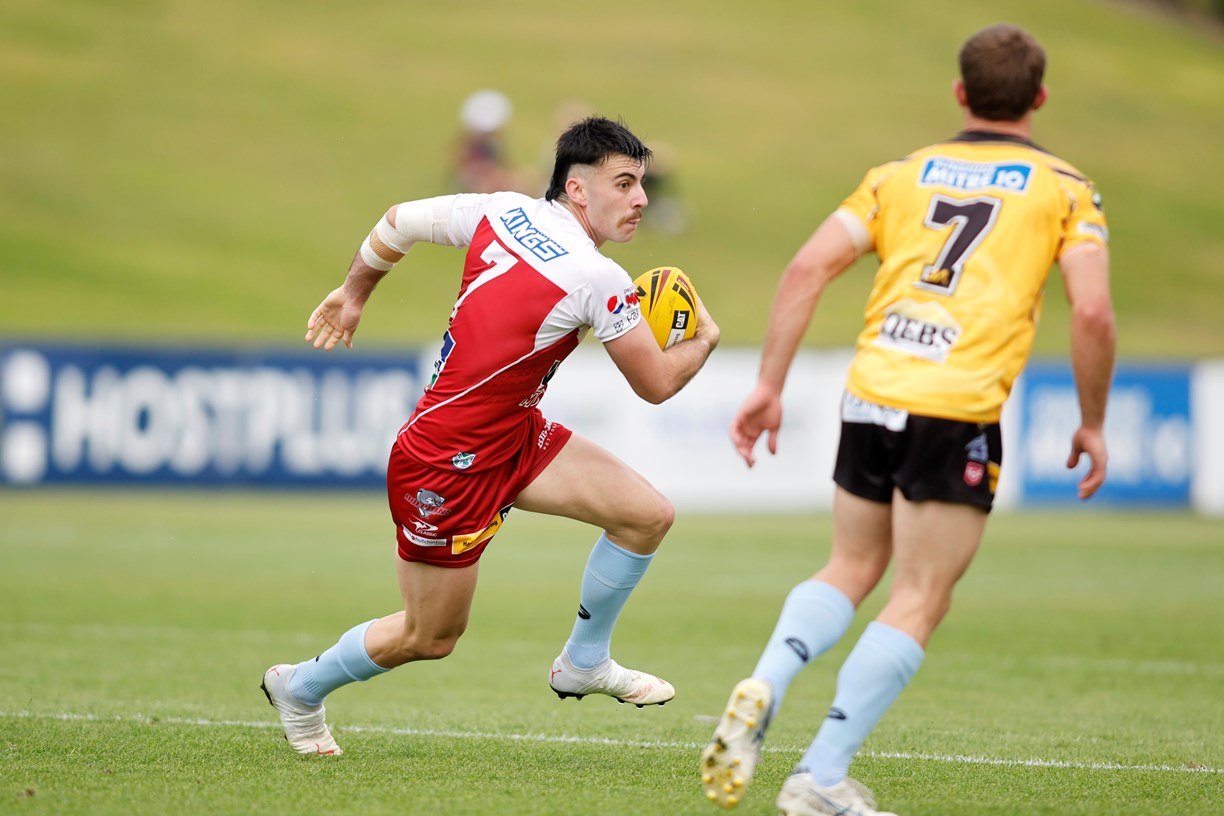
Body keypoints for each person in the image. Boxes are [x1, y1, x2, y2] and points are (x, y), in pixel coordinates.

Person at [701, 24, 1115, 816]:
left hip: (872, 392)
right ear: (1040, 98)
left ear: (960, 93)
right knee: (921, 594)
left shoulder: (900, 175)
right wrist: (1092, 420)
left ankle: (767, 679)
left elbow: (806, 267)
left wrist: (768, 385)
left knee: (849, 568)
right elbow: (1091, 311)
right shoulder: (1066, 187)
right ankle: (820, 775)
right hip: (955, 406)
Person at [261, 116, 720, 756]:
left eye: (642, 183)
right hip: (446, 460)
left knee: (646, 516)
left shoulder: (501, 210)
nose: (641, 198)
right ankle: (300, 687)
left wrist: (354, 291)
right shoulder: (598, 277)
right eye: (625, 183)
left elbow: (397, 222)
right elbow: (657, 384)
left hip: (513, 435)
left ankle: (583, 664)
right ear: (579, 190)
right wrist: (704, 339)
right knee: (431, 636)